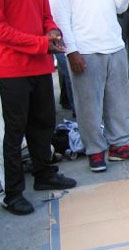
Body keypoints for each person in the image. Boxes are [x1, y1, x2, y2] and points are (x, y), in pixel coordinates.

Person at [51, 0, 129, 172]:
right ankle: (95, 150)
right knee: (88, 106)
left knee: (119, 102)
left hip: (115, 44)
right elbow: (60, 17)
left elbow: (121, 7)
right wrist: (71, 50)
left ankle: (119, 145)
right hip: (84, 48)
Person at [0, 0, 77, 215]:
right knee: (15, 133)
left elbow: (46, 16)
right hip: (11, 69)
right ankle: (12, 194)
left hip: (40, 65)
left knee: (43, 124)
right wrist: (41, 43)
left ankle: (44, 174)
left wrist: (52, 30)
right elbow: (2, 30)